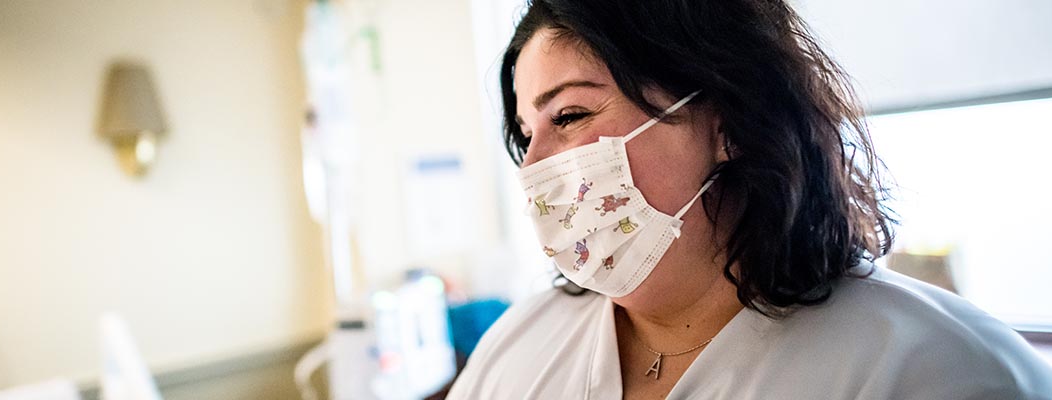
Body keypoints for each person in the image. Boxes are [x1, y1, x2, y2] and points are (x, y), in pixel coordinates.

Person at [446, 1, 1052, 399]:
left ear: (727, 122)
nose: (534, 166)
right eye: (525, 133)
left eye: (570, 115)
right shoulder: (518, 345)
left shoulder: (936, 370)